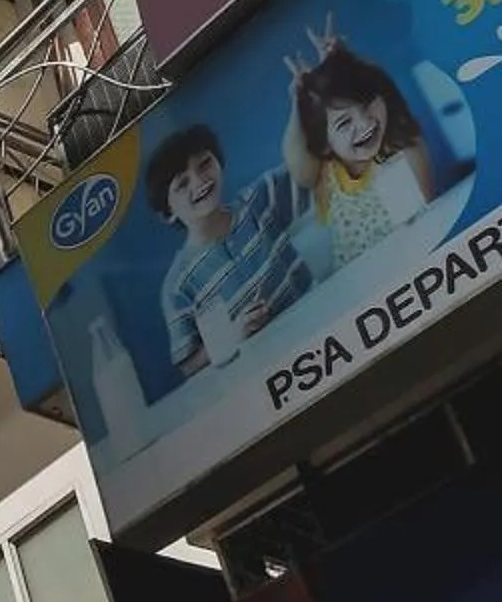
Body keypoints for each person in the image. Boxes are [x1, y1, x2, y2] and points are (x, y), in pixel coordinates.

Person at [148, 122, 310, 373]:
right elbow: (188, 365)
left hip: (316, 328)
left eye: (204, 164)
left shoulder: (258, 200)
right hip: (263, 375)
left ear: (219, 162)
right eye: (182, 184)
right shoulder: (177, 286)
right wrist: (231, 335)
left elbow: (307, 168)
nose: (200, 181)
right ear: (167, 212)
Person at [282, 22, 435, 268]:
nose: (364, 123)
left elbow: (387, 91)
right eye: (343, 123)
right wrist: (298, 103)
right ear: (324, 145)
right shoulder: (325, 177)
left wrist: (347, 62)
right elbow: (295, 158)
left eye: (366, 104)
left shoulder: (398, 150)